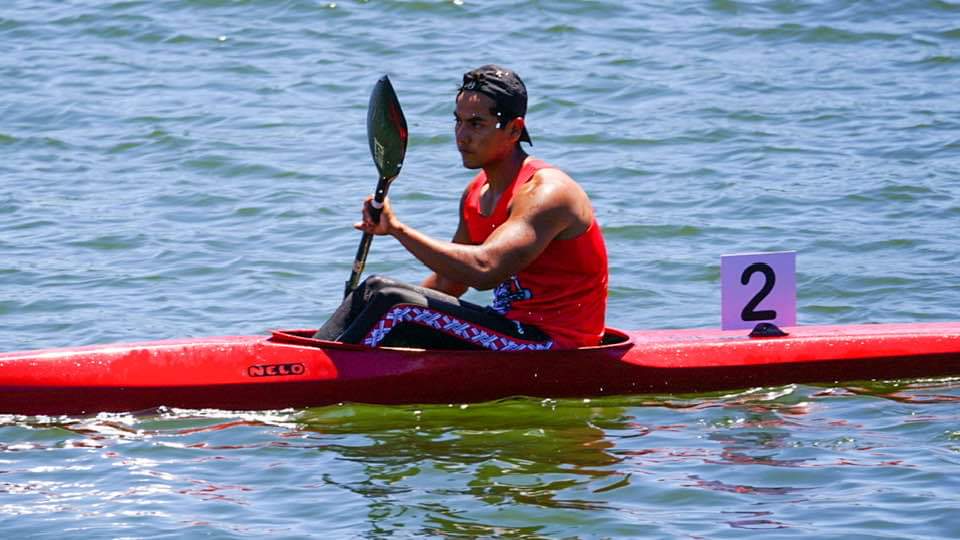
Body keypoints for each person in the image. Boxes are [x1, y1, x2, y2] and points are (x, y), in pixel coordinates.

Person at [314, 65, 608, 350]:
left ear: (514, 129)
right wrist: (372, 307)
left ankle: (315, 375)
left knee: (391, 300)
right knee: (373, 292)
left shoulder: (547, 193)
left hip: (554, 343)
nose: (462, 135)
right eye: (458, 121)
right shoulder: (476, 192)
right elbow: (448, 281)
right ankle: (307, 355)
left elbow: (485, 270)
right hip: (505, 327)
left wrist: (398, 230)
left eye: (477, 124)